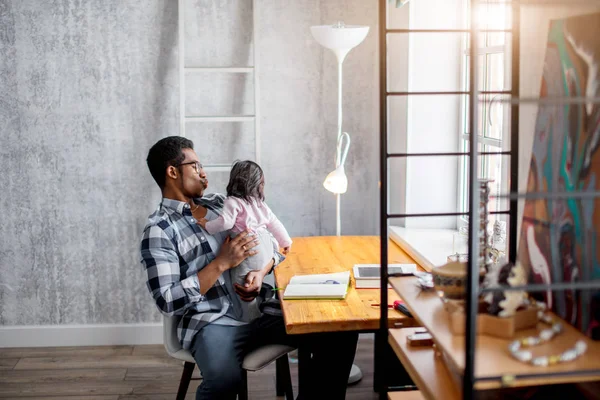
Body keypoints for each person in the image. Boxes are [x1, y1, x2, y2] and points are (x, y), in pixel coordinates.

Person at [140, 136, 358, 400]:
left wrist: (261, 272)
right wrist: (221, 263)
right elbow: (167, 300)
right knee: (223, 382)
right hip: (213, 322)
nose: (204, 173)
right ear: (172, 171)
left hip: (261, 309)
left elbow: (278, 248)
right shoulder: (160, 230)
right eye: (196, 166)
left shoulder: (223, 203)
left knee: (338, 331)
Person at [197, 160, 292, 321]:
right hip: (266, 247)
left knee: (241, 285)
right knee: (252, 283)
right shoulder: (259, 203)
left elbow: (225, 222)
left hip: (248, 247)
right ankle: (262, 309)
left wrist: (207, 225)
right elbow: (274, 223)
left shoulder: (232, 201)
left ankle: (249, 318)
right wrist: (285, 242)